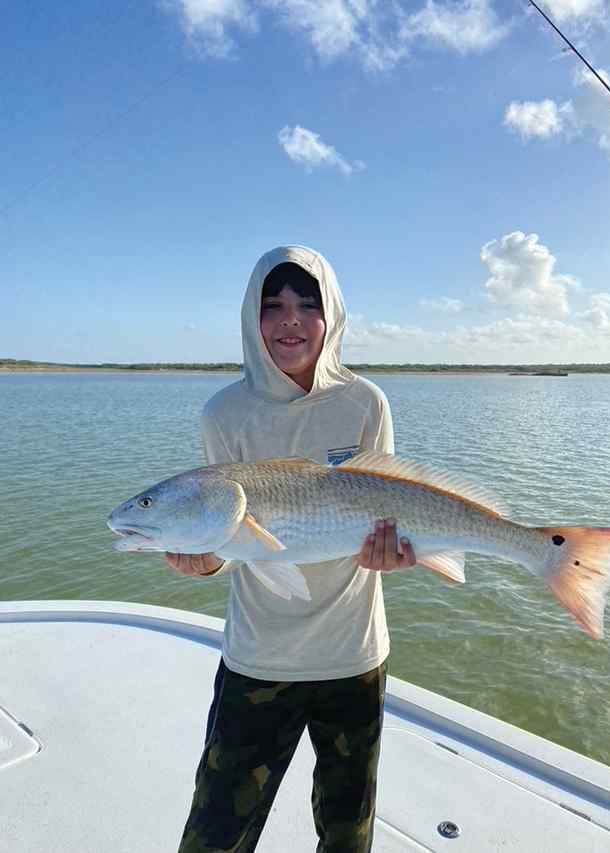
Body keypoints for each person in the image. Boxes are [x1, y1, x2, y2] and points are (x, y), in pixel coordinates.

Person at [167, 245, 416, 853]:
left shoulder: (365, 403)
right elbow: (225, 529)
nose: (291, 320)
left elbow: (389, 509)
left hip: (352, 655)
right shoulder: (224, 413)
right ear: (251, 317)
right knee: (216, 834)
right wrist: (206, 558)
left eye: (309, 303)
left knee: (347, 835)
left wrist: (397, 552)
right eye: (272, 304)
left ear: (331, 315)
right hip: (259, 656)